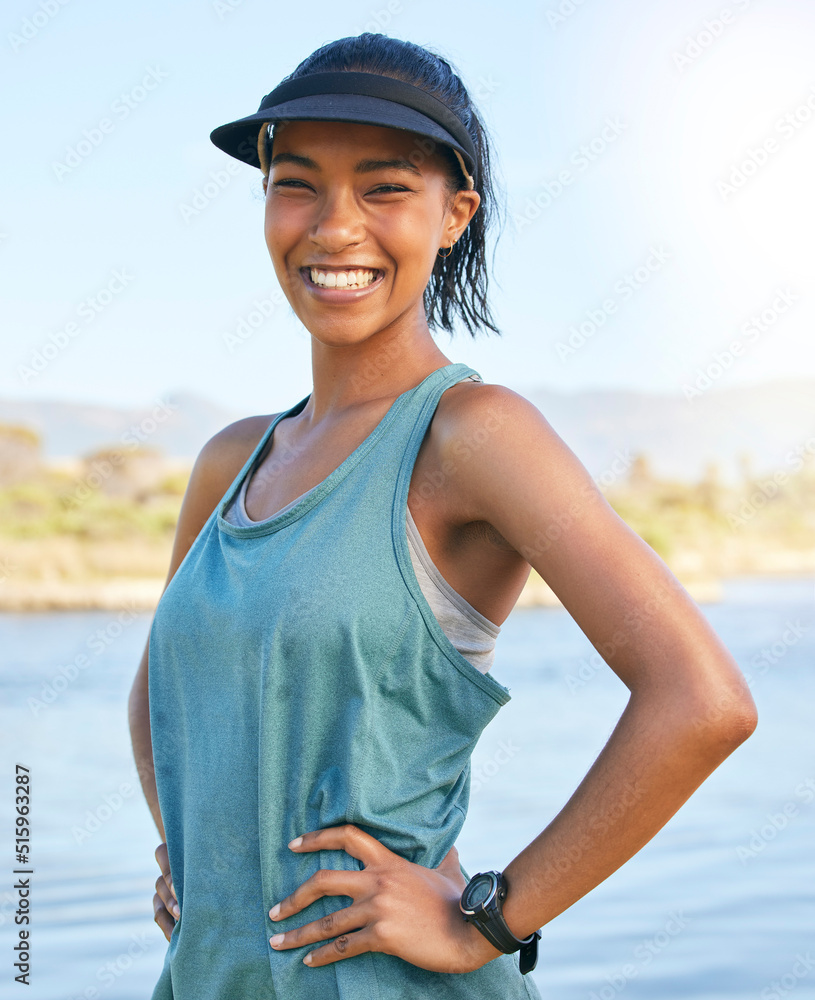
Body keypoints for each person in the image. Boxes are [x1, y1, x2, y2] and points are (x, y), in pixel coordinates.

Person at [128, 32, 758, 1000]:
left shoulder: (471, 436)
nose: (334, 227)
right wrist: (194, 851)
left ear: (453, 215)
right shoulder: (232, 457)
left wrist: (489, 920)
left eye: (383, 188)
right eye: (296, 183)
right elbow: (160, 689)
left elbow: (700, 701)